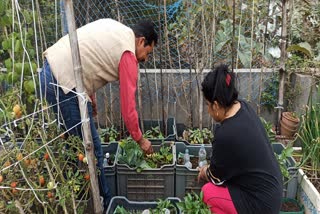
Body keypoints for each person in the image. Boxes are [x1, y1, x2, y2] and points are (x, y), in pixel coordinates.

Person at [40, 18, 157, 209]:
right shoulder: (128, 53)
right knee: (92, 150)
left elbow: (87, 56)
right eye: (148, 52)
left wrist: (90, 98)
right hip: (63, 84)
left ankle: (74, 197)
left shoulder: (116, 28)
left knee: (74, 146)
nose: (145, 58)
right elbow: (128, 109)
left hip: (52, 72)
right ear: (141, 41)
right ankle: (106, 204)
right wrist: (140, 140)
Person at [198, 64, 283, 214]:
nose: (208, 109)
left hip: (260, 205)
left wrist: (205, 171)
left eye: (207, 104)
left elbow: (215, 178)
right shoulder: (243, 107)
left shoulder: (225, 134)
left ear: (216, 105)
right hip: (272, 191)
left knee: (208, 193)